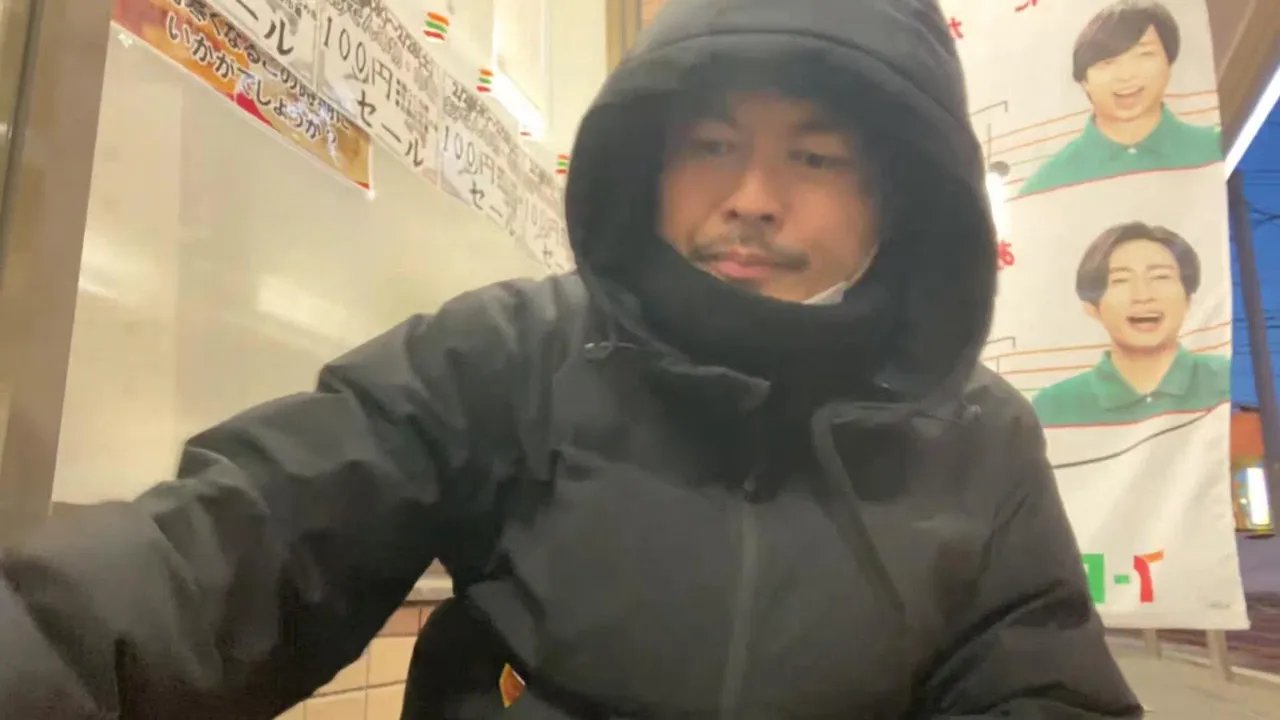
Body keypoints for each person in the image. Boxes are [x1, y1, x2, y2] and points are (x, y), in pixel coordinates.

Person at [0, 0, 1142, 718]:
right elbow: (235, 550)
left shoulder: (978, 437)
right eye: (711, 144)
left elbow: (1041, 686)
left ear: (896, 197)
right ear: (649, 164)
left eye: (814, 156)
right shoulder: (513, 352)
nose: (751, 196)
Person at [1033, 221, 1229, 427]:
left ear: (1188, 299)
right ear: (1091, 307)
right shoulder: (1052, 407)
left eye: (1160, 277)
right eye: (1121, 280)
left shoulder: (1227, 380)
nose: (1143, 295)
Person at [1018, 0, 1223, 197]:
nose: (1126, 75)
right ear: (1084, 80)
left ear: (1169, 64)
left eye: (1143, 55)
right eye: (1107, 62)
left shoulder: (1217, 148)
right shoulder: (1047, 184)